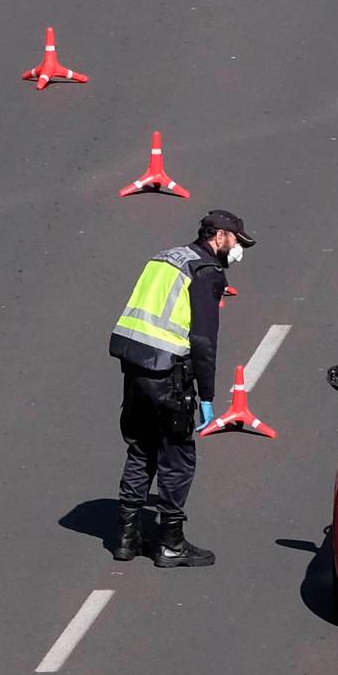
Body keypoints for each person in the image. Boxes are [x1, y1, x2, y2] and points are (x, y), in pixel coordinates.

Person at [108, 209, 256, 567]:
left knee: (141, 449)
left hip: (136, 369)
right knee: (177, 458)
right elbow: (204, 341)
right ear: (219, 236)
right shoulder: (206, 272)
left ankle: (127, 538)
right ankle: (170, 543)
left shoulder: (166, 258)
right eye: (236, 240)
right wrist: (207, 397)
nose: (238, 248)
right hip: (169, 376)